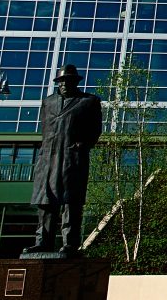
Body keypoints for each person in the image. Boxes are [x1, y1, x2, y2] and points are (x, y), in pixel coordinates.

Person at [24, 64, 102, 256]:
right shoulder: (48, 102)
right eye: (61, 81)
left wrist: (82, 146)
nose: (65, 84)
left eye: (68, 81)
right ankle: (42, 241)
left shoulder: (88, 102)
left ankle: (70, 243)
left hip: (71, 159)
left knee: (71, 201)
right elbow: (45, 129)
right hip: (48, 160)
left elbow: (95, 130)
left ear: (76, 82)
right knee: (45, 202)